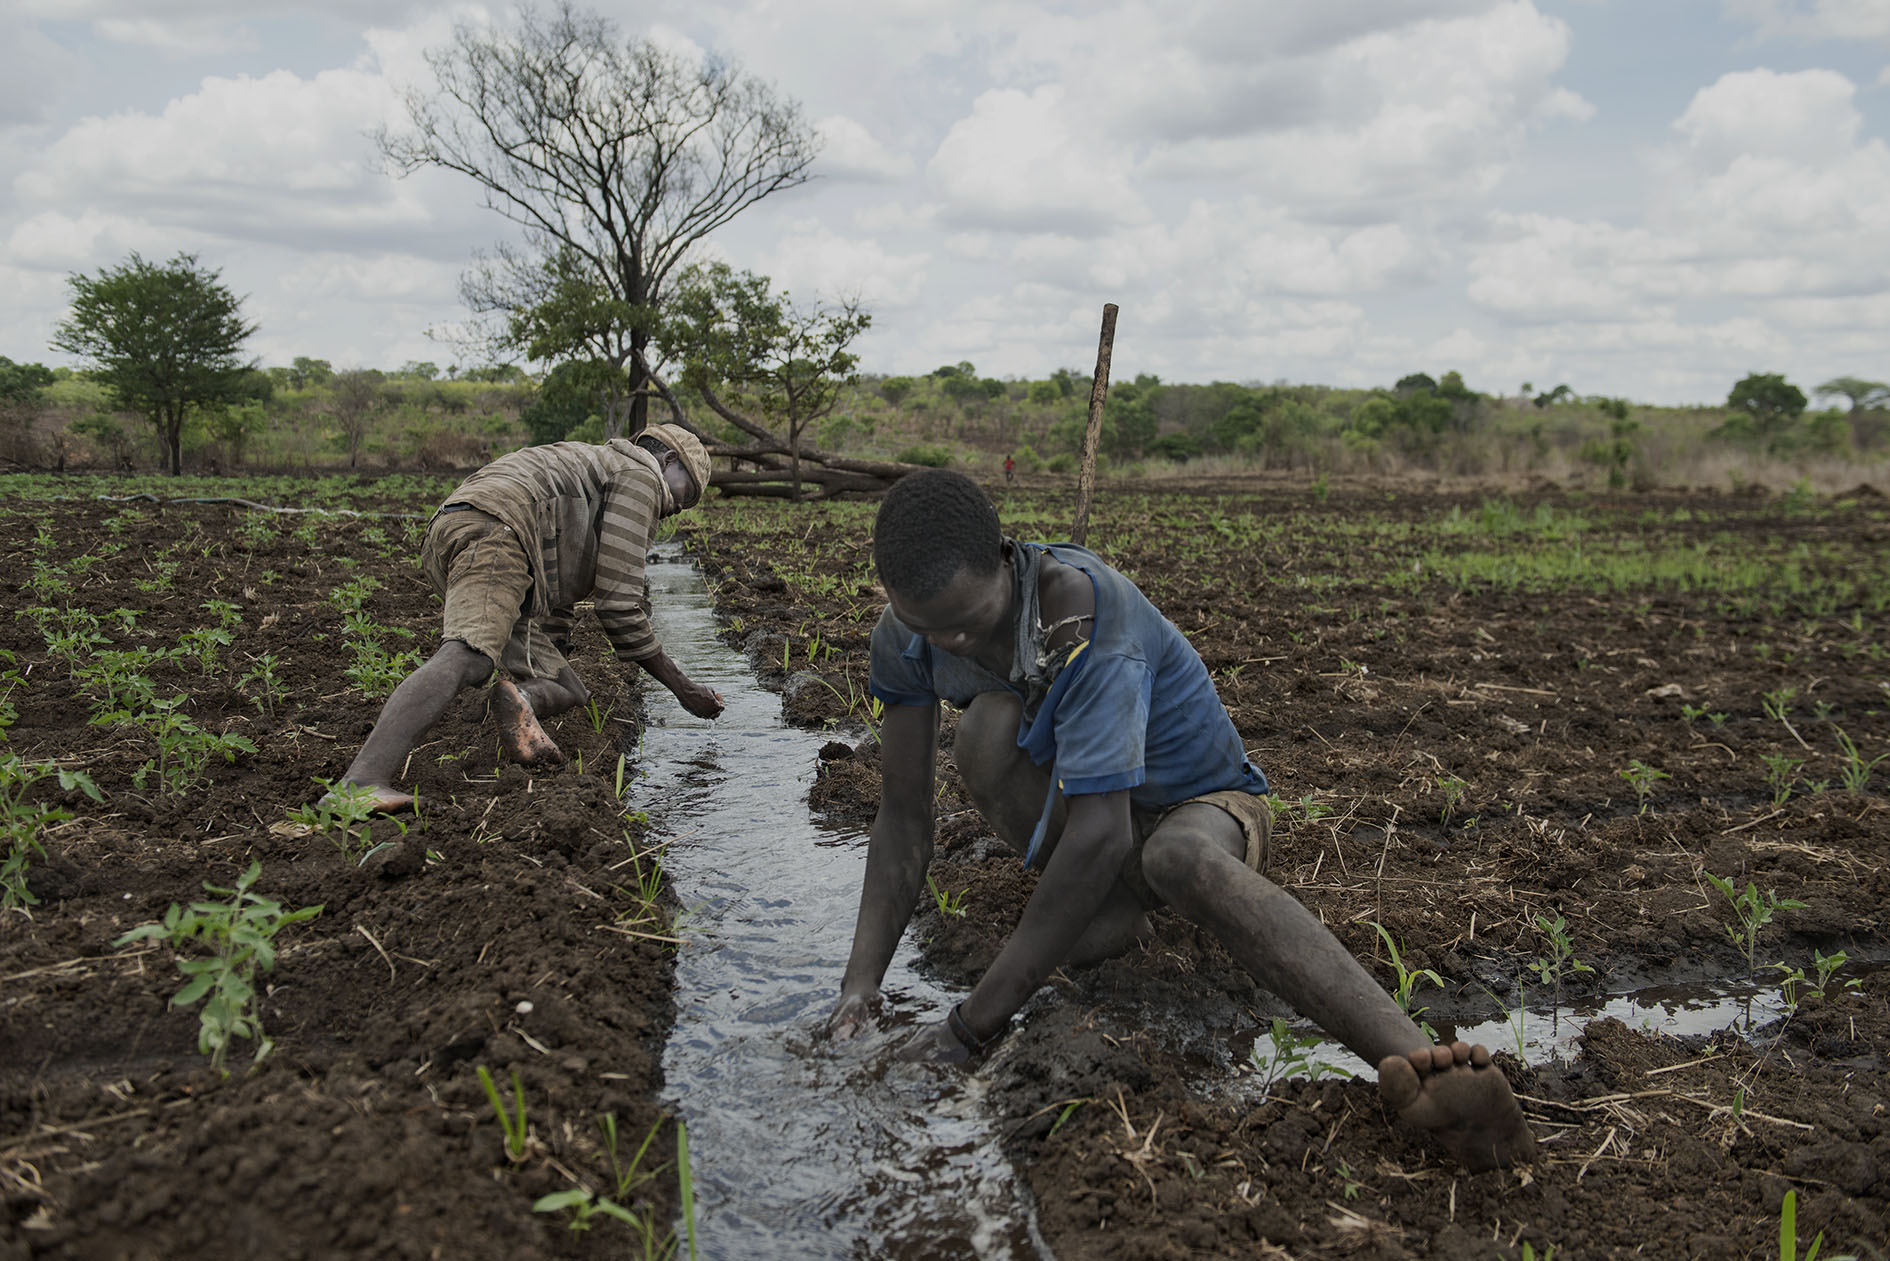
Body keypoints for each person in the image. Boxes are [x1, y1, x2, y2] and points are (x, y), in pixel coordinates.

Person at [826, 470, 1534, 1172]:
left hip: (1201, 807)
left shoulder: (1085, 611)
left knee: (1176, 859)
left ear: (1005, 561)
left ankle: (1421, 1069)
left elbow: (1103, 832)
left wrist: (967, 1027)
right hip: (1090, 812)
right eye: (927, 626)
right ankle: (1105, 914)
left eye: (967, 622)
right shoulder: (907, 634)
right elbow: (903, 814)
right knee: (985, 728)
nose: (947, 641)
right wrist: (860, 986)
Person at [326, 425, 725, 812]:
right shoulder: (640, 476)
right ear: (668, 460)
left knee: (568, 688)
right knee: (469, 655)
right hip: (495, 532)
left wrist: (555, 651)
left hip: (465, 529)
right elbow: (618, 605)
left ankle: (523, 701)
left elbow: (562, 590)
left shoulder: (600, 471)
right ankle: (359, 783)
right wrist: (682, 688)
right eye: (685, 493)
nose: (676, 509)